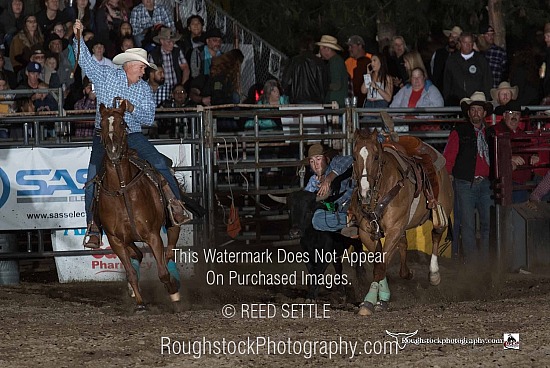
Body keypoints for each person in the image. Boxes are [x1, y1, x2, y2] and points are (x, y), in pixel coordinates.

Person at [72, 19, 189, 249]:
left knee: (158, 163)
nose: (144, 71)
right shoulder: (106, 76)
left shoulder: (143, 89)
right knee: (93, 178)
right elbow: (84, 59)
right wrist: (78, 36)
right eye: (142, 67)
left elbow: (148, 119)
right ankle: (93, 227)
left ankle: (176, 206)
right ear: (131, 65)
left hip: (132, 135)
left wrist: (132, 108)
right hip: (103, 137)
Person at [443, 91, 493, 264]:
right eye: (473, 110)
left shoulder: (490, 133)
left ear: (484, 113)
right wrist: (448, 175)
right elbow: (449, 156)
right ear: (469, 112)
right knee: (468, 225)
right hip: (465, 183)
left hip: (486, 183)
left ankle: (485, 261)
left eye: (479, 109)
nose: (476, 113)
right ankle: (473, 264)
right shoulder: (459, 131)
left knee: (488, 224)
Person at [486, 100, 538, 203]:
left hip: (520, 182)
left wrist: (535, 155)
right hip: (502, 182)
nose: (514, 116)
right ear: (504, 115)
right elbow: (489, 153)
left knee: (517, 213)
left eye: (517, 114)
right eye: (511, 113)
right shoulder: (494, 131)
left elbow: (530, 151)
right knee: (508, 214)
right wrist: (509, 159)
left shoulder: (522, 134)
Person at [304, 143, 353, 233]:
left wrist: (329, 178)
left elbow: (350, 159)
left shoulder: (335, 162)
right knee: (316, 219)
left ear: (326, 159)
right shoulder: (313, 181)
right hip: (335, 212)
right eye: (312, 161)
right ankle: (350, 223)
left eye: (318, 159)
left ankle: (352, 221)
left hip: (351, 205)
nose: (315, 164)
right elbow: (305, 199)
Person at [443, 32, 492, 106]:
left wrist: (486, 99)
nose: (468, 45)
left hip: (476, 102)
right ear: (460, 43)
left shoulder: (481, 60)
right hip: (456, 103)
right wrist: (447, 100)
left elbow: (487, 81)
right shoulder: (452, 60)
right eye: (465, 42)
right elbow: (447, 82)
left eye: (470, 42)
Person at [281, 34, 328, 104]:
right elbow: (324, 83)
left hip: (297, 101)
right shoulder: (319, 62)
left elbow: (285, 82)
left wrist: (288, 94)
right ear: (312, 47)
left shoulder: (294, 61)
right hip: (315, 101)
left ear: (300, 46)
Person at [316, 35, 347, 108]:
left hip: (335, 103)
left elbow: (336, 85)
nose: (319, 52)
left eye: (320, 49)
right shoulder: (336, 61)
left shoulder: (335, 62)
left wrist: (321, 86)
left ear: (327, 49)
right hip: (336, 102)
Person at [430, 26, 462, 93]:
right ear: (449, 37)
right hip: (438, 89)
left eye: (456, 38)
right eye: (452, 37)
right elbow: (432, 69)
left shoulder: (461, 55)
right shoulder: (439, 53)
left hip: (454, 92)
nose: (453, 40)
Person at [345, 34, 372, 107]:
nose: (349, 49)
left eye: (351, 46)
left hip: (365, 102)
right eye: (349, 47)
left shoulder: (370, 61)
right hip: (352, 101)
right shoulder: (347, 62)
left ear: (360, 46)